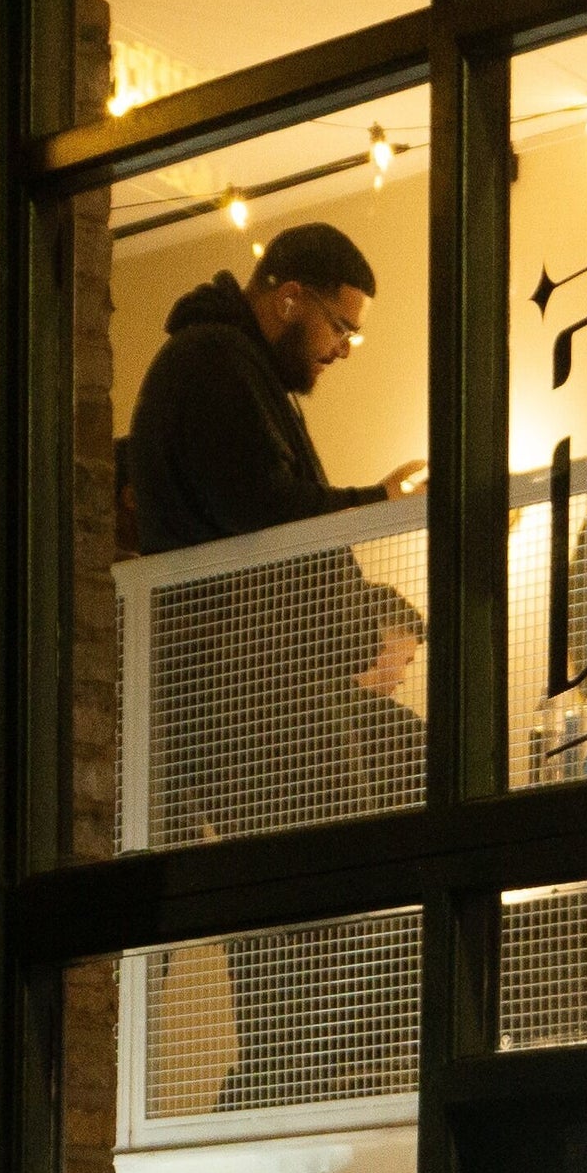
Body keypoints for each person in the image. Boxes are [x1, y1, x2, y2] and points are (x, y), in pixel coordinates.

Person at [131, 225, 430, 1116]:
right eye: (343, 325)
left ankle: (291, 1085)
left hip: (253, 687)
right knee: (313, 902)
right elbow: (262, 519)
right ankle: (283, 1090)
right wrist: (376, 510)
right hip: (240, 695)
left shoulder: (230, 369)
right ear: (289, 295)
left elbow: (277, 535)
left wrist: (369, 627)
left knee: (310, 900)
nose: (344, 347)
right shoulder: (214, 365)